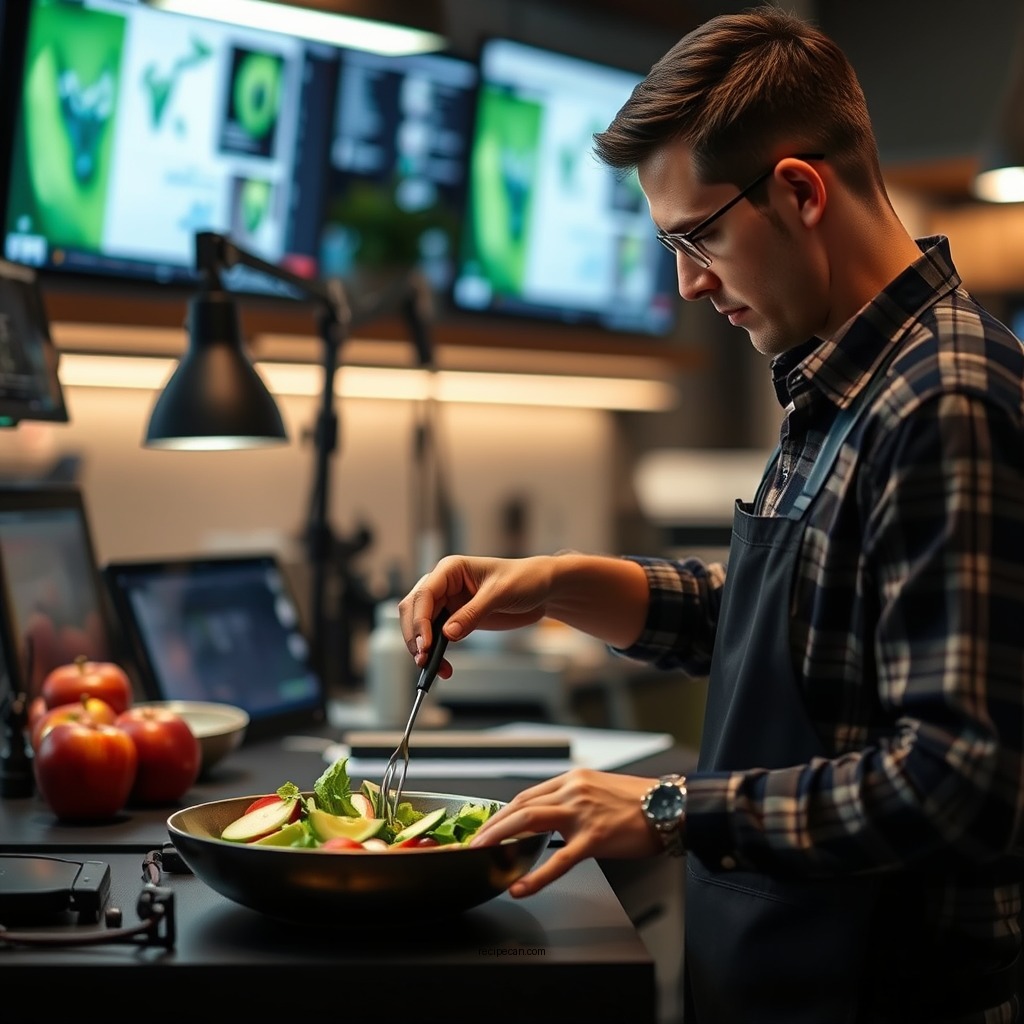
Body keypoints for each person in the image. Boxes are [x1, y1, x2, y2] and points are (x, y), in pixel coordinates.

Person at [398, 7, 1024, 1022]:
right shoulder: (843, 381)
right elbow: (794, 623)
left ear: (799, 191)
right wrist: (557, 584)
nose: (688, 282)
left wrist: (669, 808)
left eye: (698, 237)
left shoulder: (943, 398)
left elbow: (959, 779)